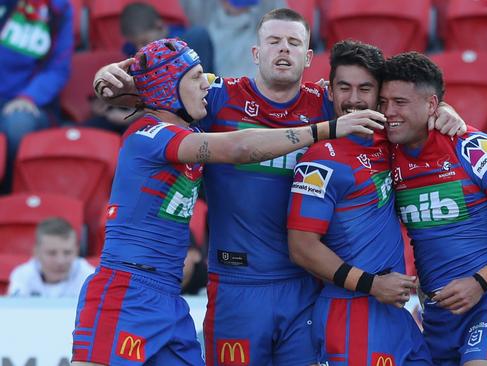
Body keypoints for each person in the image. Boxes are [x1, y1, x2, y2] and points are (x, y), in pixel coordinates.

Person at [92, 9, 466, 366]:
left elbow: (393, 102)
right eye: (273, 41)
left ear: (308, 58)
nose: (283, 48)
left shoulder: (331, 103)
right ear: (255, 52)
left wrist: (440, 110)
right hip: (235, 285)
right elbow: (154, 85)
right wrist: (106, 76)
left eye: (293, 42)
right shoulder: (217, 97)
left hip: (301, 286)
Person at [71, 38, 383, 366]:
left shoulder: (183, 133)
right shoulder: (150, 135)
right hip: (126, 288)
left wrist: (444, 111)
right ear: (168, 90)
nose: (205, 86)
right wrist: (323, 130)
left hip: (168, 297)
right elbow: (239, 149)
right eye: (195, 78)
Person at [383, 52, 487, 366]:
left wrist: (479, 282)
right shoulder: (385, 156)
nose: (389, 112)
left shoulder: (476, 150)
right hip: (438, 317)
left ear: (431, 105)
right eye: (383, 102)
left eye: (400, 102)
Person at [287, 40, 431, 365]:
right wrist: (372, 284)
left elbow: (424, 110)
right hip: (352, 314)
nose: (353, 100)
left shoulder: (389, 140)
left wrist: (446, 112)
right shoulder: (320, 160)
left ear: (379, 94)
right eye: (344, 88)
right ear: (329, 92)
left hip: (396, 315)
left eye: (364, 88)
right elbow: (301, 247)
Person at [0, 0, 73, 192]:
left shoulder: (59, 9)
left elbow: (57, 70)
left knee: (18, 125)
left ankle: (9, 198)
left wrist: (28, 97)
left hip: (30, 103)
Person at [8, 217, 94, 297]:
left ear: (76, 251)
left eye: (67, 252)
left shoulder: (88, 275)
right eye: (52, 253)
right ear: (36, 252)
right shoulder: (22, 275)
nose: (60, 261)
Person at [120, 2, 214, 73]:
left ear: (159, 26)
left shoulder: (192, 40)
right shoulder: (131, 50)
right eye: (134, 44)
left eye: (144, 42)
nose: (140, 49)